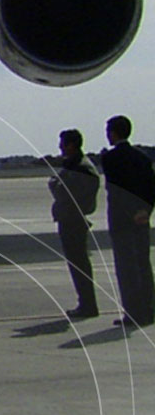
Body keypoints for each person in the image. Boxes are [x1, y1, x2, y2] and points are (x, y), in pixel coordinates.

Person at [99, 115, 154, 328]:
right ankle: (149, 310)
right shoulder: (142, 157)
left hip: (122, 221)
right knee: (143, 265)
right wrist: (145, 211)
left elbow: (116, 191)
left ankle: (133, 314)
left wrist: (129, 212)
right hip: (141, 219)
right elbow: (150, 187)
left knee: (126, 269)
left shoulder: (111, 159)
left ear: (114, 133)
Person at [46, 129, 99, 319]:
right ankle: (85, 303)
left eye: (63, 143)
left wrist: (56, 185)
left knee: (79, 263)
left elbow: (62, 191)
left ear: (71, 145)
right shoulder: (74, 165)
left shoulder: (79, 167)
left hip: (73, 220)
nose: (60, 147)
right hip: (70, 219)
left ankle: (88, 305)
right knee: (77, 263)